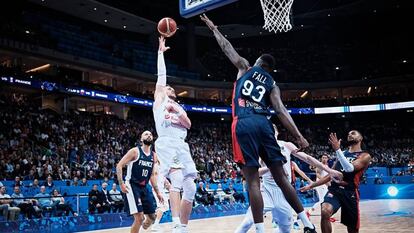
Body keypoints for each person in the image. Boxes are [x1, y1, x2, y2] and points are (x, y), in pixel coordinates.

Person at [201, 14, 315, 233]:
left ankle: (261, 231)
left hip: (243, 122)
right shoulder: (272, 84)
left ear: (259, 63)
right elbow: (281, 111)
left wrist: (214, 28)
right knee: (282, 178)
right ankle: (307, 224)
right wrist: (299, 136)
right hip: (264, 123)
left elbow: (227, 48)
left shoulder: (245, 67)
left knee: (253, 181)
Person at [234, 125, 342, 233]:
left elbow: (308, 158)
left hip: (284, 193)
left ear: (276, 133)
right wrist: (272, 167)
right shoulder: (259, 148)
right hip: (266, 191)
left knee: (285, 229)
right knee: (247, 222)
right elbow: (252, 173)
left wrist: (329, 171)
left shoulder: (287, 145)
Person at [153, 36, 198, 233]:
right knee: (166, 180)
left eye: (171, 88)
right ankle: (161, 213)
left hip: (181, 144)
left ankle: (182, 226)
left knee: (191, 187)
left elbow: (188, 124)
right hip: (165, 142)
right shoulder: (160, 100)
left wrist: (178, 114)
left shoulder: (179, 107)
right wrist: (160, 53)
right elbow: (161, 78)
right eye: (167, 87)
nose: (169, 88)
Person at [300, 131, 371, 233]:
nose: (350, 135)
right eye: (349, 134)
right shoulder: (343, 154)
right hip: (335, 190)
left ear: (361, 138)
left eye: (354, 133)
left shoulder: (365, 156)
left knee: (353, 229)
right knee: (325, 211)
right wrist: (311, 185)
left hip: (350, 193)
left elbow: (349, 168)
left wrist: (338, 150)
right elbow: (330, 174)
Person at [116, 130, 164, 233]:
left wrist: (158, 192)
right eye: (146, 134)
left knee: (152, 217)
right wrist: (121, 184)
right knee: (139, 218)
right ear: (141, 139)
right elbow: (119, 165)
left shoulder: (154, 155)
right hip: (132, 186)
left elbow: (151, 175)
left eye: (151, 134)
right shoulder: (135, 151)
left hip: (145, 186)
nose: (149, 135)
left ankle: (141, 230)